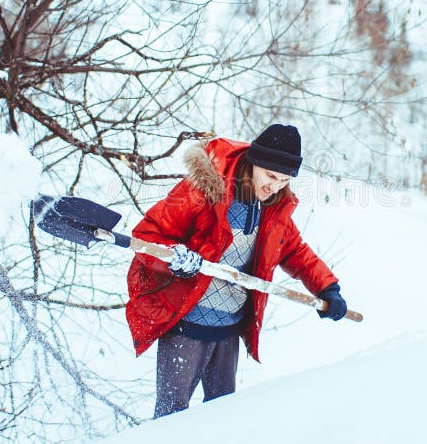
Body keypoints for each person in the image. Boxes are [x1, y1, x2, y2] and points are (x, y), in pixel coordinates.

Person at [125, 124, 349, 418]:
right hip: (185, 326)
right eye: (270, 176)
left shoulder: (272, 206)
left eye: (283, 180)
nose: (275, 186)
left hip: (228, 331)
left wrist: (327, 288)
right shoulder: (203, 189)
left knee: (221, 421)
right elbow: (147, 237)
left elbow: (295, 252)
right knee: (170, 419)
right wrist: (175, 259)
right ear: (254, 162)